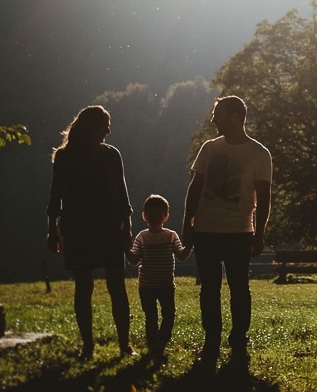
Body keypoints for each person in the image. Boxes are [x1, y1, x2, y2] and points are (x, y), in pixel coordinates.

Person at [181, 95, 273, 363]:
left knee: (239, 288)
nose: (212, 119)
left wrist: (259, 233)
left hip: (239, 232)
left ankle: (238, 338)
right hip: (206, 231)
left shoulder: (259, 153)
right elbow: (194, 189)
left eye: (217, 114)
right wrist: (188, 224)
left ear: (233, 117)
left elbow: (265, 197)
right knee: (209, 288)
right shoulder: (209, 149)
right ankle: (212, 339)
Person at [45, 104, 136, 360]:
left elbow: (122, 195)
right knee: (84, 288)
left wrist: (126, 230)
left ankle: (124, 344)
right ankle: (89, 345)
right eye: (105, 124)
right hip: (78, 229)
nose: (109, 129)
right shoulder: (65, 157)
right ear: (92, 127)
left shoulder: (112, 155)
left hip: (108, 229)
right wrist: (52, 231)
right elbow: (55, 198)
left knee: (116, 287)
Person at [126, 193, 191, 362]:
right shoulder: (142, 237)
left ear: (166, 216)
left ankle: (160, 341)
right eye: (151, 215)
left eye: (159, 215)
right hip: (146, 286)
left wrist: (190, 243)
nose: (155, 218)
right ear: (145, 216)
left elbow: (182, 255)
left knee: (169, 315)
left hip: (166, 285)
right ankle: (154, 344)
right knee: (151, 317)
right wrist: (125, 248)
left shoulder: (171, 236)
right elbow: (134, 260)